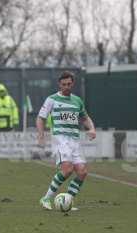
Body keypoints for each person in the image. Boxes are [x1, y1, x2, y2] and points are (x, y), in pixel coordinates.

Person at [36, 71, 96, 210]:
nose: (67, 87)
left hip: (75, 139)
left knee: (82, 172)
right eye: (64, 84)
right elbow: (41, 118)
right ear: (59, 84)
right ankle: (46, 198)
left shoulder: (77, 100)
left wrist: (91, 129)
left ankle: (67, 200)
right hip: (60, 139)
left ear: (72, 84)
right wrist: (40, 135)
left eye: (69, 84)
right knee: (67, 170)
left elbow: (85, 117)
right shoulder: (52, 99)